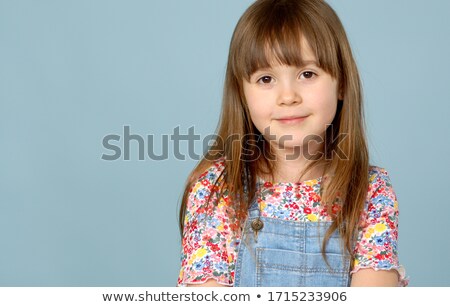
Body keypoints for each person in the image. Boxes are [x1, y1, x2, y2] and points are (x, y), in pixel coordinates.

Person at [177, 0, 408, 287]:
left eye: (307, 74)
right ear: (242, 95)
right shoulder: (217, 191)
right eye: (265, 79)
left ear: (343, 83)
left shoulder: (369, 192)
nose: (288, 96)